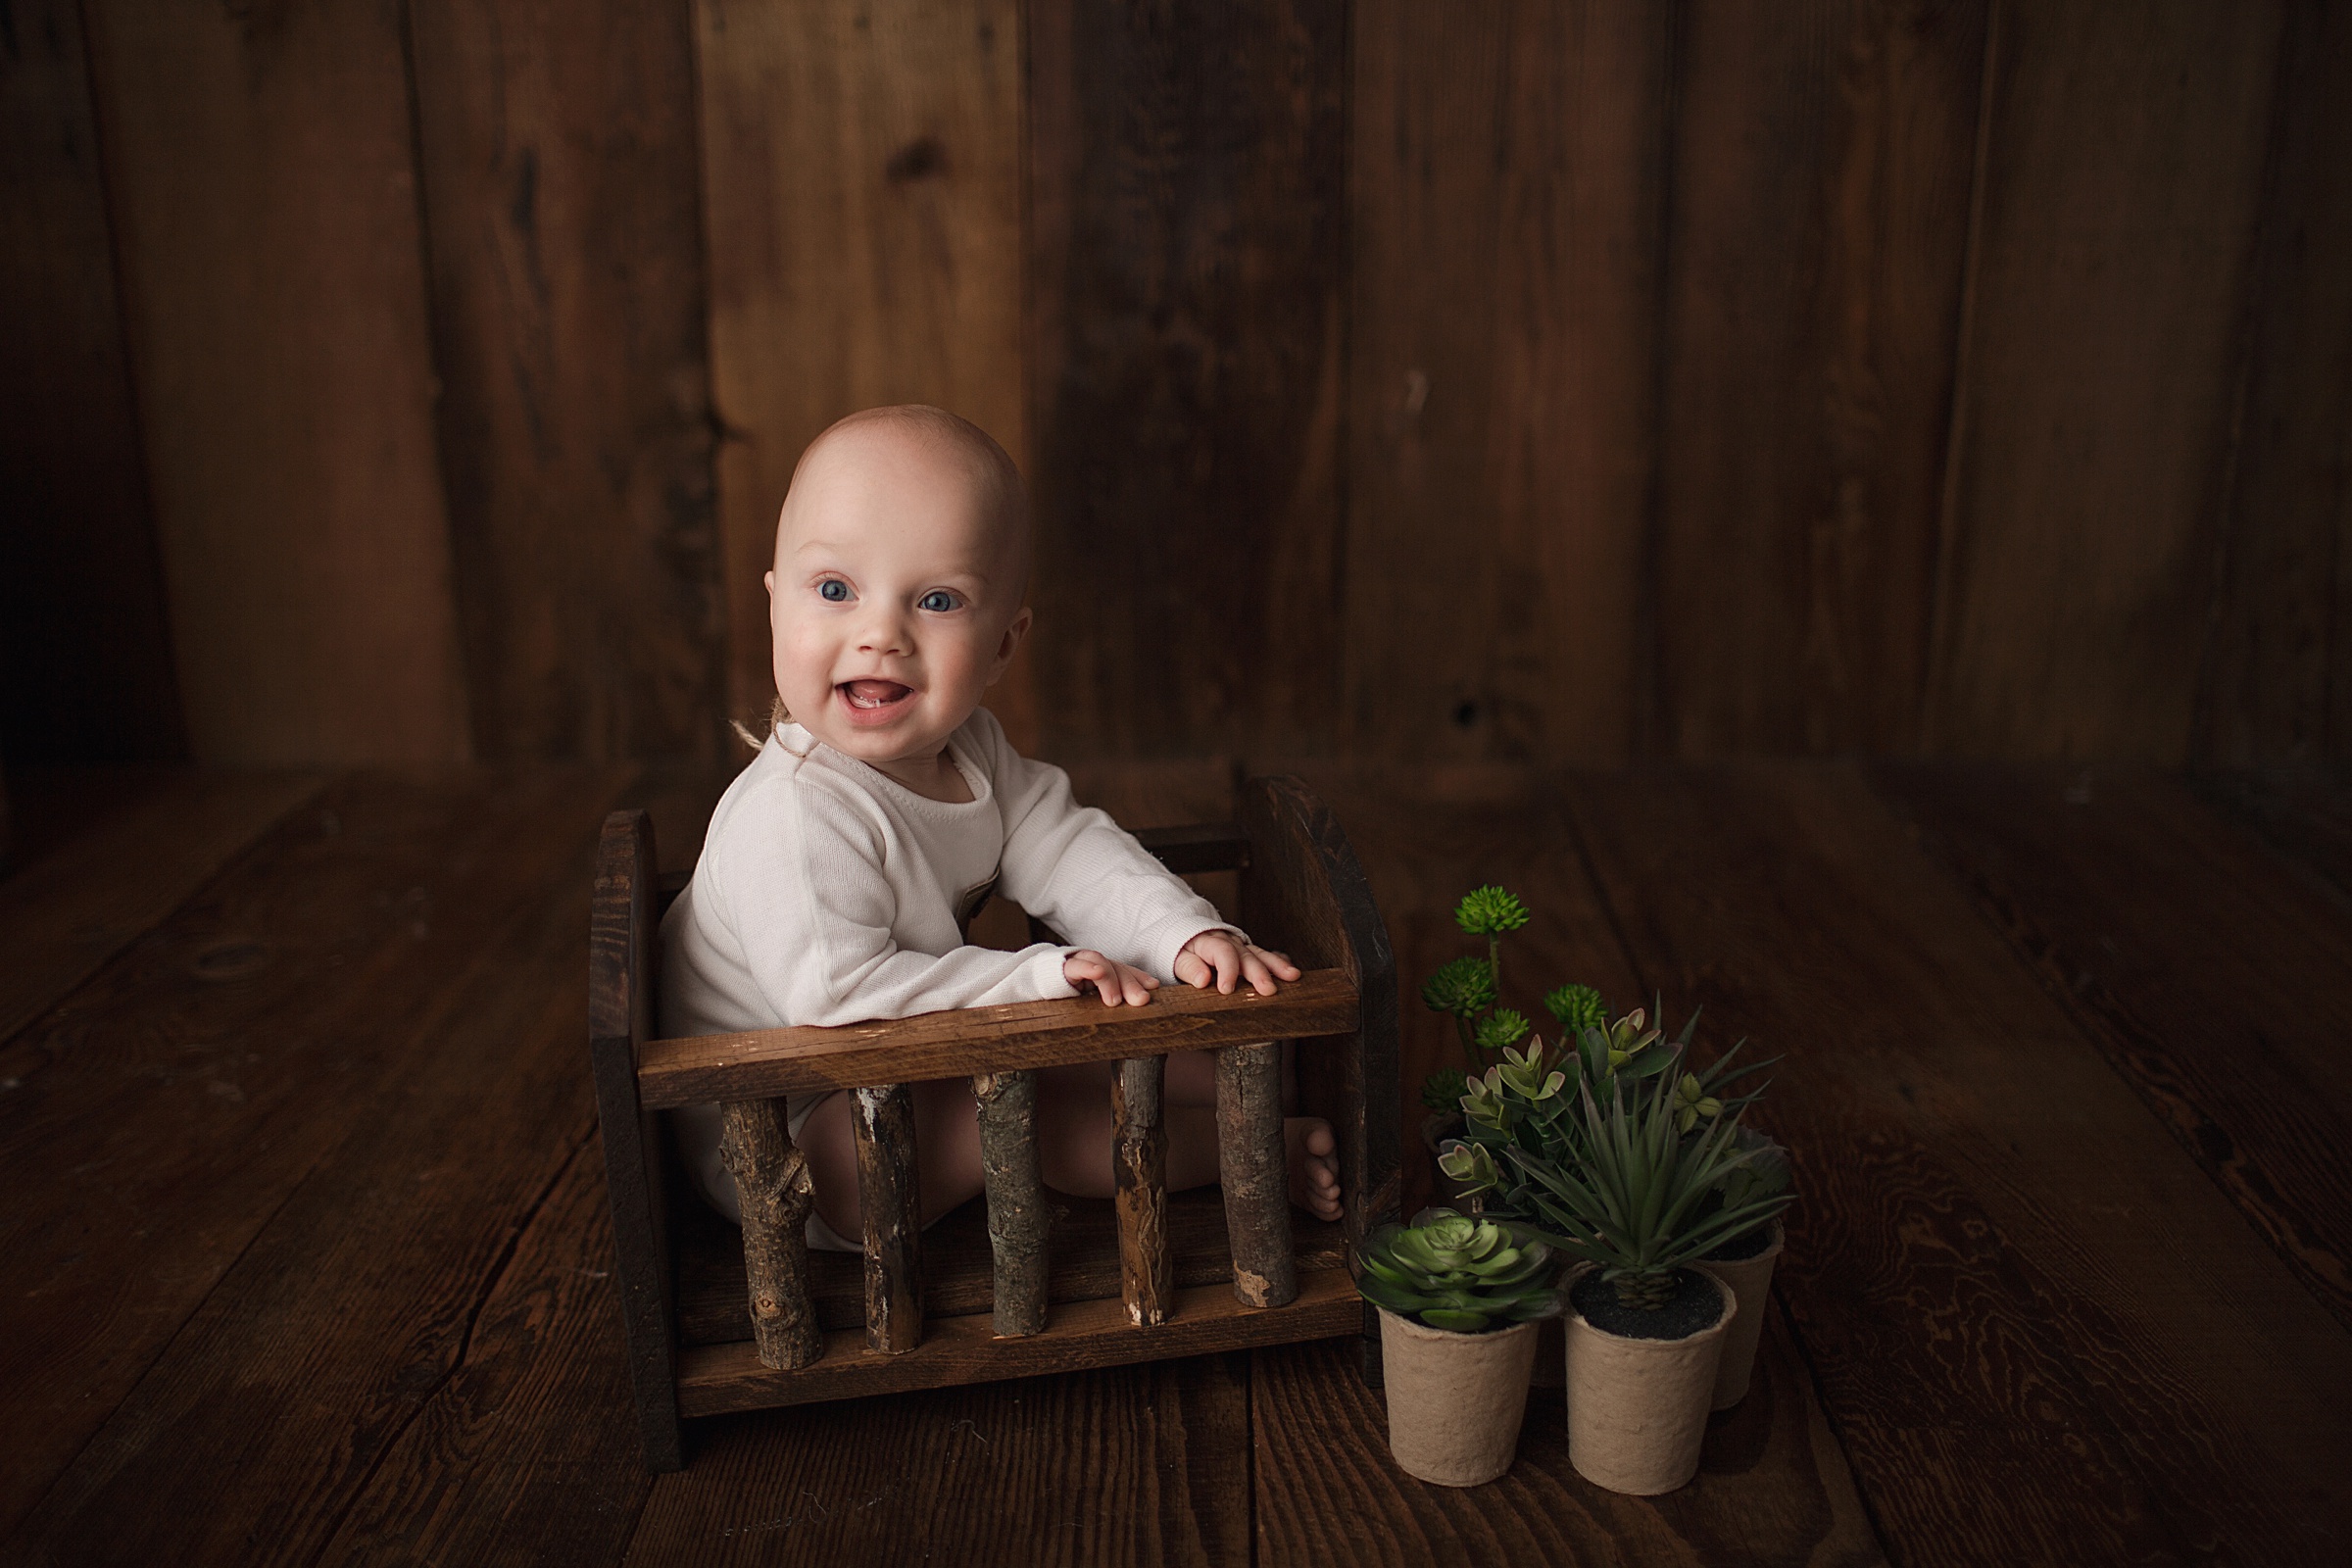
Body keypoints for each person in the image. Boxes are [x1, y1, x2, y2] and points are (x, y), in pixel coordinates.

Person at [660, 405, 1342, 1250]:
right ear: (773, 606)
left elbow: (1068, 847)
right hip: (793, 1141)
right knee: (1019, 1111)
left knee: (1099, 1023)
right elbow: (833, 998)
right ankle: (1248, 1151)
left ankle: (1241, 1084)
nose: (879, 635)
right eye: (835, 590)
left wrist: (1177, 933)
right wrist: (1031, 979)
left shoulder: (969, 748)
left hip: (907, 1064)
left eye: (937, 600)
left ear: (1003, 646)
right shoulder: (792, 815)